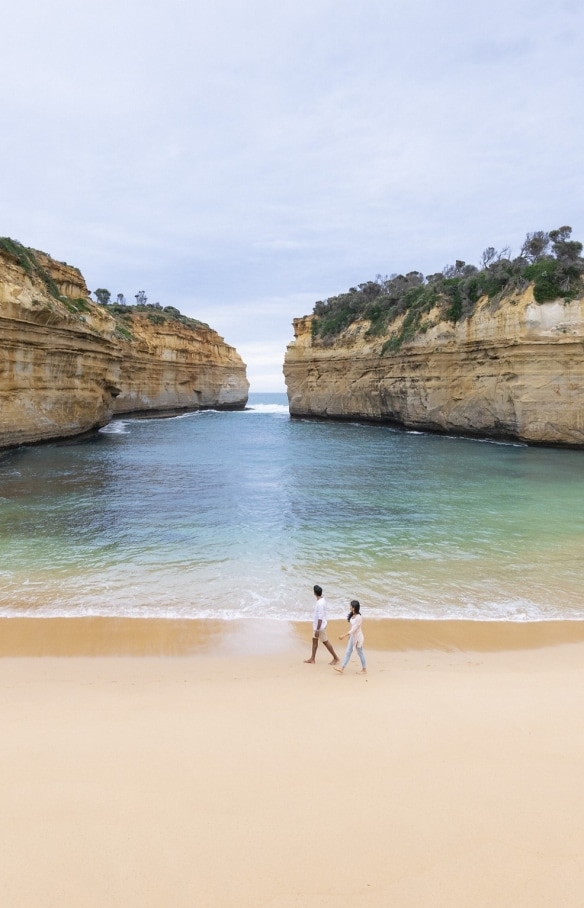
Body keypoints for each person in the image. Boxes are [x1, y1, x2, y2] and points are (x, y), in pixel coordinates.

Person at [304, 584, 340, 665]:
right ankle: (312, 659)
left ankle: (336, 658)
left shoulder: (320, 603)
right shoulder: (322, 600)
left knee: (325, 642)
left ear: (314, 593)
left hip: (319, 627)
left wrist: (317, 629)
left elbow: (320, 617)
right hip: (318, 625)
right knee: (314, 641)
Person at [335, 599, 367, 674]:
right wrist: (350, 637)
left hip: (358, 639)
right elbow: (352, 628)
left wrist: (344, 635)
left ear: (354, 608)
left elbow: (354, 629)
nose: (349, 607)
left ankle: (364, 669)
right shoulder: (352, 615)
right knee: (348, 652)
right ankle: (342, 668)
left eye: (350, 606)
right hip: (353, 637)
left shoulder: (359, 617)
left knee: (360, 653)